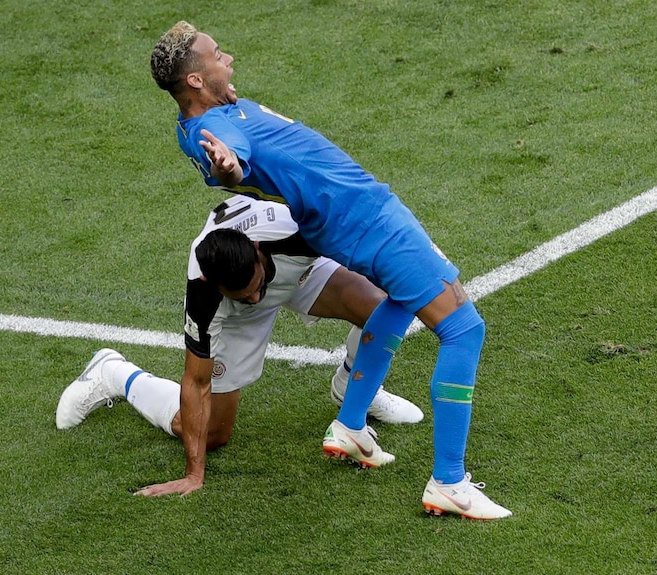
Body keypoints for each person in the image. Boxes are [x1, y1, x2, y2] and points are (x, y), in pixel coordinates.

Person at [150, 21, 511, 519]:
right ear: (193, 80)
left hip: (346, 219)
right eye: (216, 55)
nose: (228, 58)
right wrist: (228, 165)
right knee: (464, 329)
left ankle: (350, 424)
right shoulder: (216, 131)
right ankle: (449, 481)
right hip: (366, 220)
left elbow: (227, 135)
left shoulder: (211, 113)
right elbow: (230, 162)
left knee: (401, 303)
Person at [56, 196, 423, 496]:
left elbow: (367, 232)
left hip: (294, 270)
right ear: (211, 282)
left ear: (257, 248)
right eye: (242, 293)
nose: (254, 296)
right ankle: (114, 373)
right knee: (213, 434)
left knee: (383, 311)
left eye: (255, 287)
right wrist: (193, 475)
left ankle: (355, 389)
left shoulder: (297, 231)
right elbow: (196, 382)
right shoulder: (205, 296)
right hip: (237, 315)